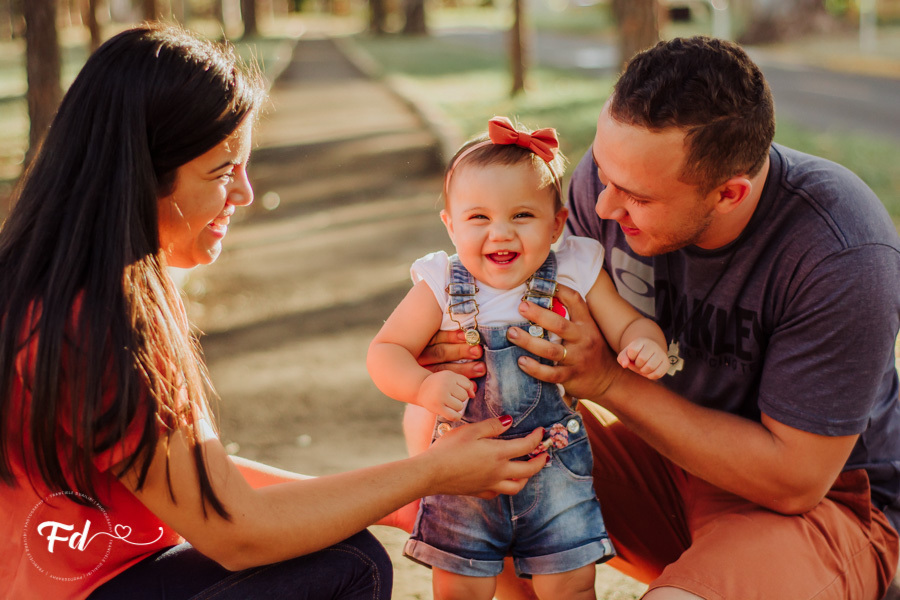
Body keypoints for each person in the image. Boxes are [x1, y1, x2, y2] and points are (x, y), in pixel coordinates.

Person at [0, 24, 548, 600]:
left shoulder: (72, 286)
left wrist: (404, 502)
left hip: (91, 576)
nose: (245, 194)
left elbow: (205, 481)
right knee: (348, 567)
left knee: (341, 544)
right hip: (87, 586)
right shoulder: (96, 323)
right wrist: (433, 473)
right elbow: (234, 532)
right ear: (140, 176)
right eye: (221, 172)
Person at [420, 37, 900, 599]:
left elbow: (794, 482)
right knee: (445, 425)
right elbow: (552, 323)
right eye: (601, 172)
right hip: (667, 466)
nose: (600, 207)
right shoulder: (606, 190)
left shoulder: (839, 250)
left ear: (729, 193)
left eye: (636, 197)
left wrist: (605, 380)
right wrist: (465, 347)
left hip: (824, 507)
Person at [368, 116, 669, 599]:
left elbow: (627, 322)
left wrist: (643, 342)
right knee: (460, 588)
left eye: (521, 216)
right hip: (462, 471)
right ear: (450, 224)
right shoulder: (440, 283)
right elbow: (386, 351)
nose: (500, 233)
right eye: (479, 218)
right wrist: (422, 386)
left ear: (556, 224)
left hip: (554, 467)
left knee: (569, 585)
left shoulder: (575, 267)